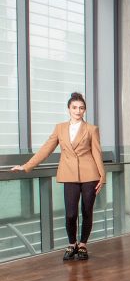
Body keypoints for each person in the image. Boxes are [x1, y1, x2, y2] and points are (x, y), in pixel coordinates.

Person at [12, 93, 106, 261]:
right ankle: (72, 243)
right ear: (69, 109)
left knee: (87, 211)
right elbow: (46, 149)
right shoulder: (60, 128)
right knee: (70, 213)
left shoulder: (92, 129)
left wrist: (102, 176)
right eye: (75, 107)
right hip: (69, 174)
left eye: (82, 108)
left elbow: (97, 153)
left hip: (90, 174)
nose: (78, 111)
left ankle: (83, 244)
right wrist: (26, 166)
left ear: (85, 110)